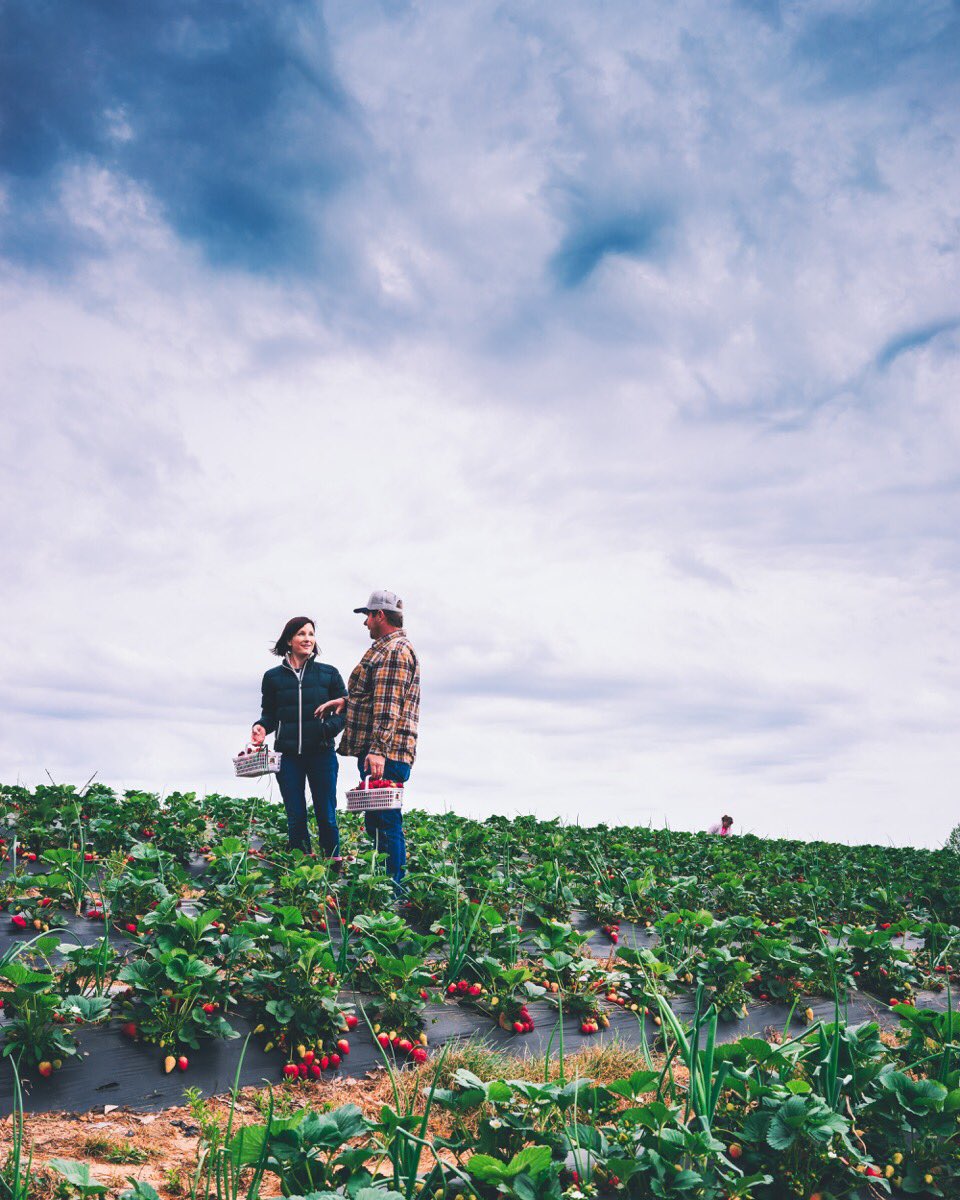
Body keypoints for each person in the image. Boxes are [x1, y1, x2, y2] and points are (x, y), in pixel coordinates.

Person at [315, 590, 420, 893]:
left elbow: (389, 706)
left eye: (367, 616)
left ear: (380, 616)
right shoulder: (385, 649)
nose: (365, 623)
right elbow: (376, 695)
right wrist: (346, 702)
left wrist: (377, 751)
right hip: (382, 751)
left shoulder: (394, 651)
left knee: (386, 823)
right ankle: (383, 886)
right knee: (377, 824)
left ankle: (393, 890)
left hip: (386, 753)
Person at [250, 616, 347, 855]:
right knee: (295, 816)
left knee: (326, 815)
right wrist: (261, 727)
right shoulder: (272, 677)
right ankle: (302, 869)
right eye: (302, 634)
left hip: (322, 754)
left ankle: (332, 867)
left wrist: (327, 729)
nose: (308, 639)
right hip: (288, 756)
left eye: (311, 634)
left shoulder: (329, 674)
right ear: (289, 640)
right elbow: (270, 714)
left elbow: (345, 712)